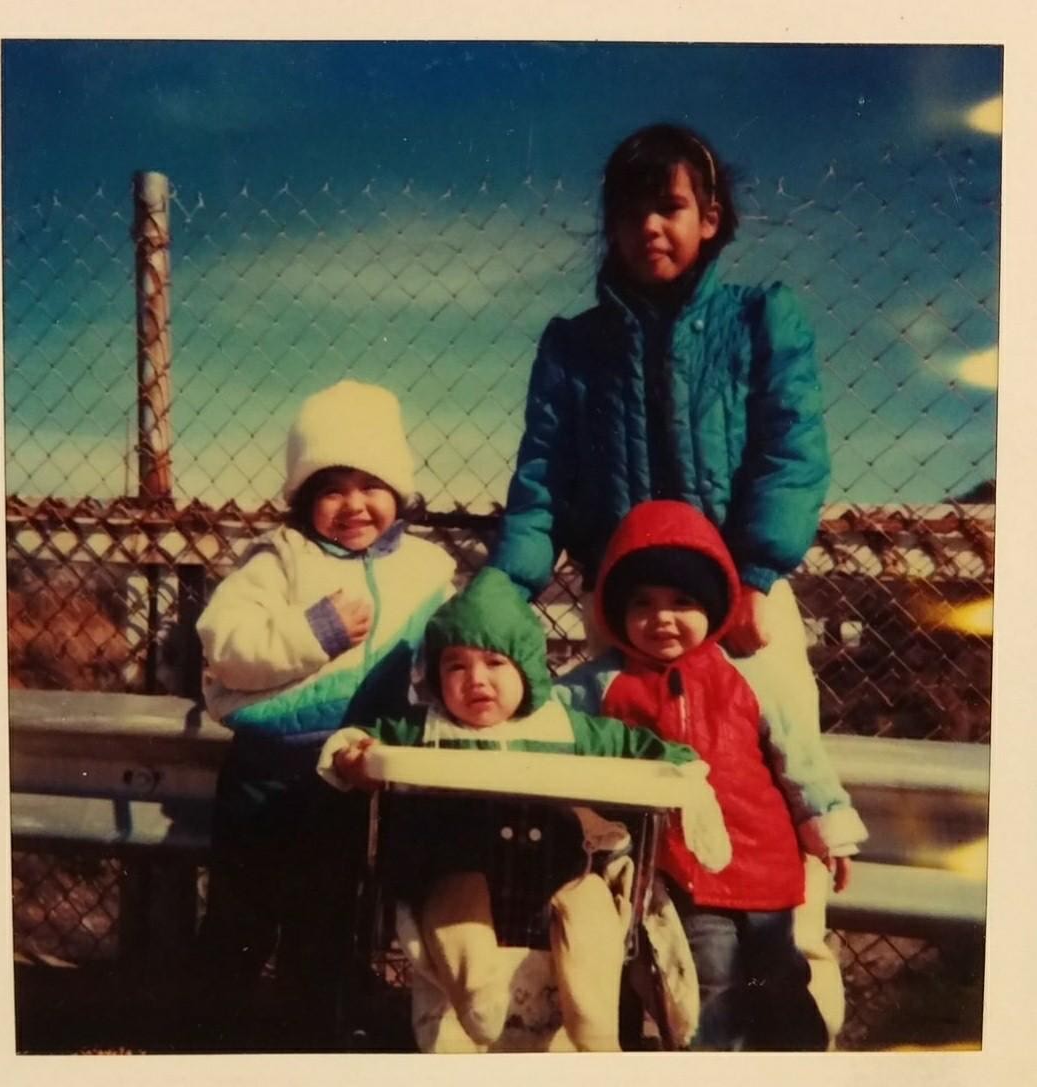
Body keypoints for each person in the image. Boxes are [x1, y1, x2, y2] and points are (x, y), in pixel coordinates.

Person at [488, 121, 850, 1038]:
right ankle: (666, 1013)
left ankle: (795, 993)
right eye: (628, 208)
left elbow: (789, 452)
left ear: (710, 215)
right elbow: (539, 485)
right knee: (638, 838)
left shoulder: (762, 318)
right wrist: (503, 588)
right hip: (624, 618)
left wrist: (759, 572)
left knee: (770, 793)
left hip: (744, 611)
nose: (648, 224)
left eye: (670, 204)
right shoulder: (573, 347)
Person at [319, 567, 730, 1052]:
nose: (476, 680)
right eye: (455, 666)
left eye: (494, 663)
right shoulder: (424, 729)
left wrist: (684, 773)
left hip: (556, 872)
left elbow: (645, 747)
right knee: (456, 902)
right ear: (435, 676)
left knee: (592, 907)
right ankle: (478, 999)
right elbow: (355, 741)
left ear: (528, 669)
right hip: (457, 868)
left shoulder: (568, 729)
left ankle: (595, 1033)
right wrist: (353, 757)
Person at [193, 379, 456, 1048]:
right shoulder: (280, 560)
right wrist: (314, 631)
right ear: (304, 498)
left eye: (369, 483)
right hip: (267, 773)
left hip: (351, 780)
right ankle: (205, 1043)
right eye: (330, 487)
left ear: (398, 490)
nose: (352, 504)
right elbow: (225, 646)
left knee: (327, 933)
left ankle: (306, 1046)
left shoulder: (427, 570)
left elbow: (452, 656)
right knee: (238, 924)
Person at [557, 500, 867, 1051]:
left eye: (683, 601)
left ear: (715, 604)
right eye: (643, 604)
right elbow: (543, 720)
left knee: (780, 983)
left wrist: (827, 824)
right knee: (707, 987)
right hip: (685, 874)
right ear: (616, 611)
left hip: (766, 866)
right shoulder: (602, 684)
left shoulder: (748, 675)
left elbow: (800, 757)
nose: (663, 618)